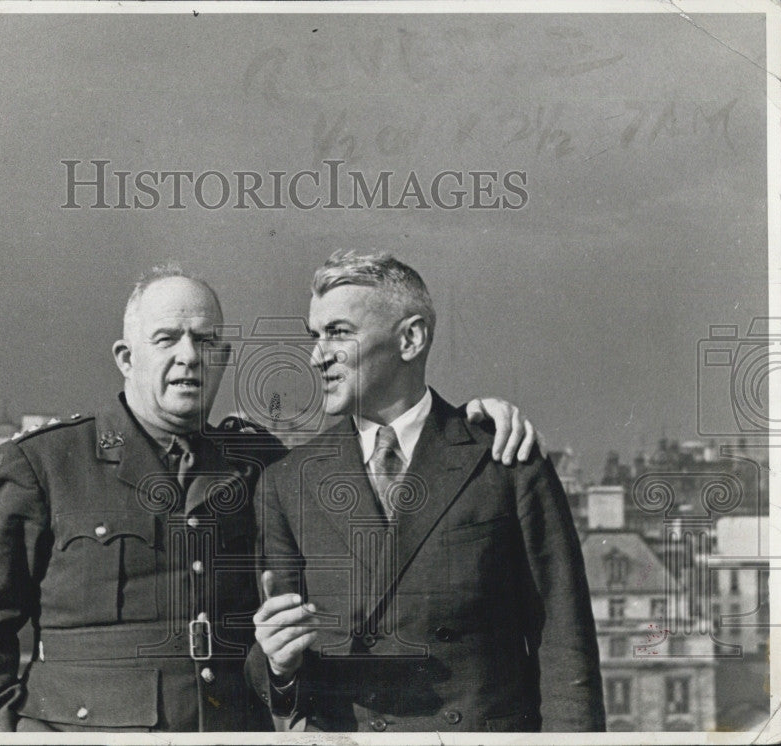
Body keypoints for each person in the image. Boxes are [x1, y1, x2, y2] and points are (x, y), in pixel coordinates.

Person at [0, 265, 542, 732]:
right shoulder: (46, 465)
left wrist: (472, 420)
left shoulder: (261, 466)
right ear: (126, 357)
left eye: (205, 340)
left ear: (224, 358)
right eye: (166, 339)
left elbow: (378, 473)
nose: (188, 358)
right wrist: (4, 739)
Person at [248, 251, 605, 733]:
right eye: (315, 336)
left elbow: (565, 648)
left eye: (338, 332)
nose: (317, 355)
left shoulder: (504, 461)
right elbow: (271, 672)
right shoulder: (287, 483)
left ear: (410, 339)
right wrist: (278, 665)